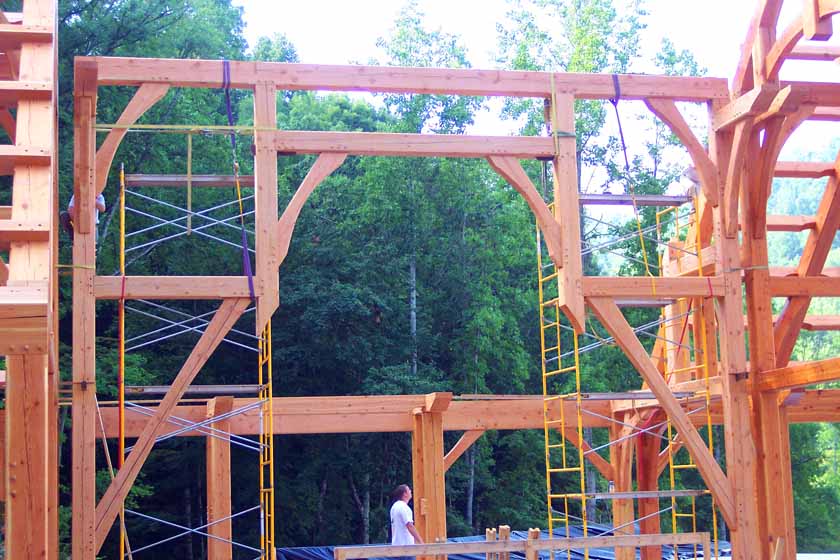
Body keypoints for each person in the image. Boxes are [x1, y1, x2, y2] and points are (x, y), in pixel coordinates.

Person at [390, 483, 423, 559]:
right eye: (409, 490)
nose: (411, 491)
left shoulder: (394, 507)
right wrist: (421, 542)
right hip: (406, 548)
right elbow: (410, 526)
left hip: (396, 547)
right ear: (405, 494)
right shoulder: (404, 507)